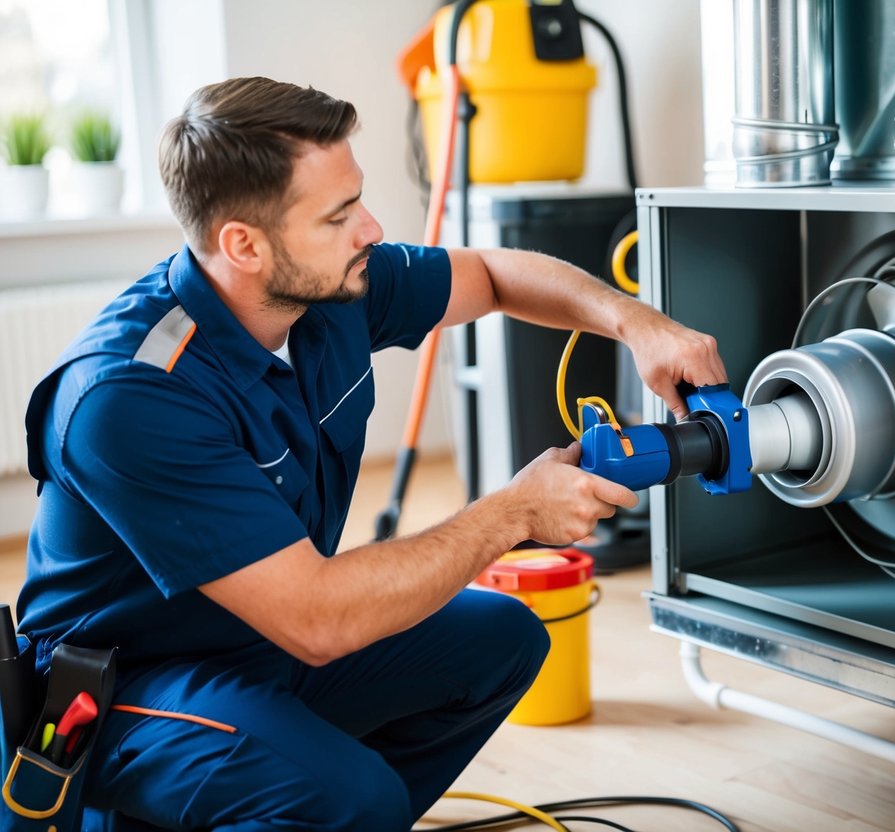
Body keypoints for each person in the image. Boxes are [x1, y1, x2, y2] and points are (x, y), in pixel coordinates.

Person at [17, 76, 727, 830]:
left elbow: (487, 276)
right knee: (351, 795)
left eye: (356, 200)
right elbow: (319, 619)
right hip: (125, 691)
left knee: (503, 640)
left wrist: (635, 322)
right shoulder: (129, 397)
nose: (371, 229)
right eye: (339, 215)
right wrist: (513, 511)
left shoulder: (323, 287)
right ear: (244, 244)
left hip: (257, 641)